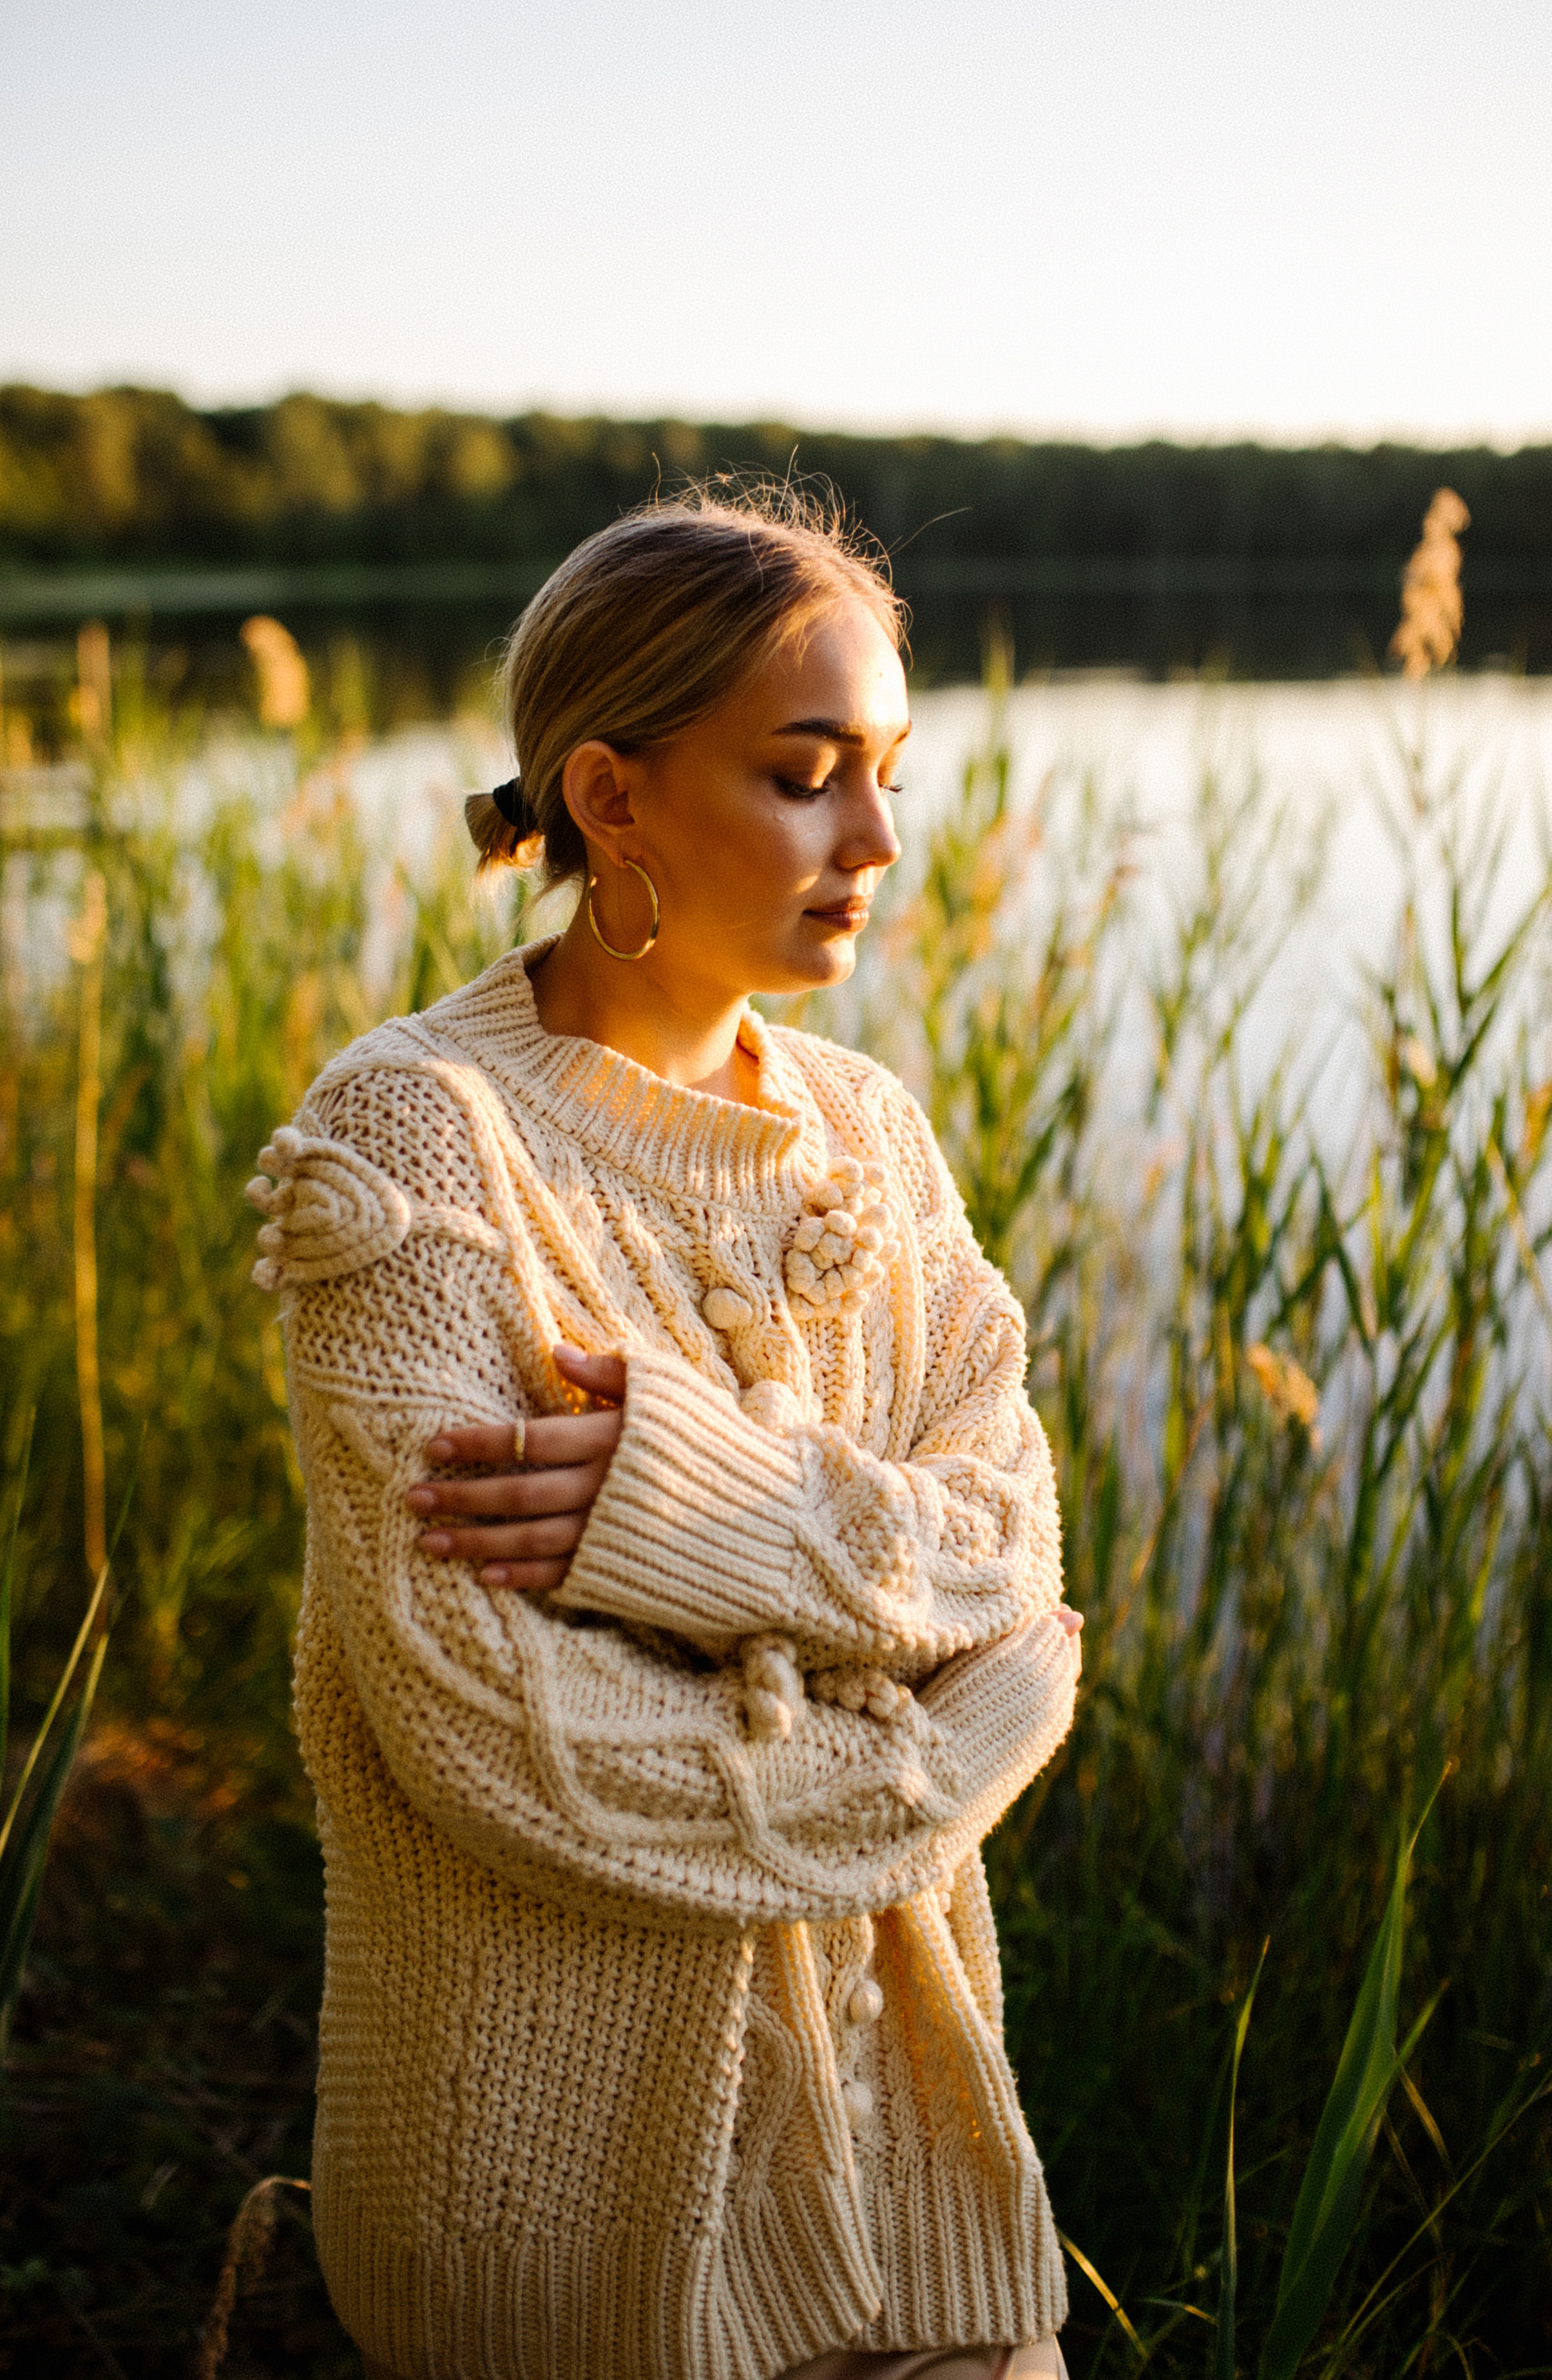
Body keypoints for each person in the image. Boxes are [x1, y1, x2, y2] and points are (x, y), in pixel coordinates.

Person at [249, 483, 1082, 2380]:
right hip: (572, 2218)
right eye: (803, 774)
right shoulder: (411, 1153)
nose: (874, 838)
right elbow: (515, 1753)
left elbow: (1008, 1534)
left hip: (915, 2182)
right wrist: (948, 1755)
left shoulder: (869, 1130)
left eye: (884, 769)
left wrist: (707, 1508)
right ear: (610, 795)